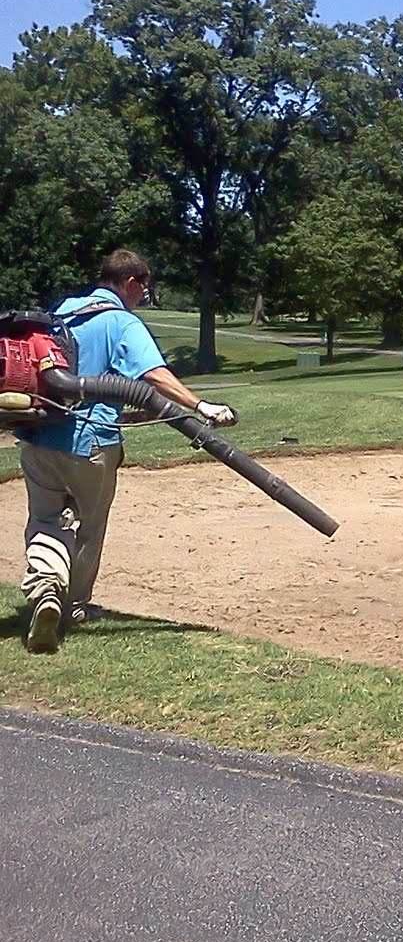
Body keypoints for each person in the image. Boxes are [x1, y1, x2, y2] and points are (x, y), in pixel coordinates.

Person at [14, 249, 237, 653]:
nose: (143, 296)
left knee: (45, 520)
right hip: (91, 443)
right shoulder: (120, 321)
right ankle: (73, 607)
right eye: (143, 288)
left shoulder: (62, 311)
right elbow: (153, 374)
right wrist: (200, 405)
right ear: (130, 281)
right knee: (89, 527)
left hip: (38, 437)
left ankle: (46, 589)